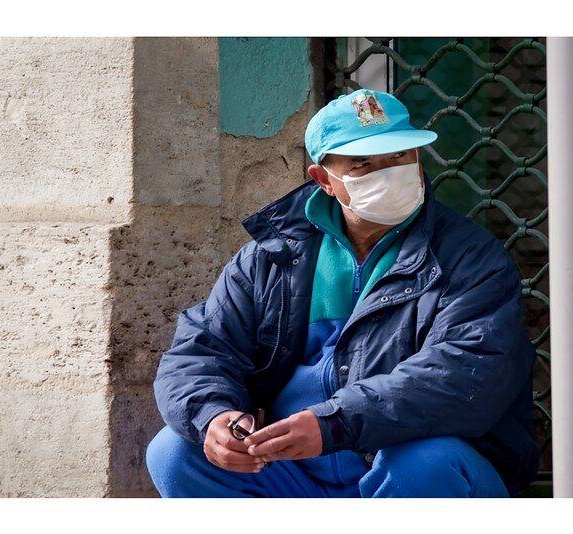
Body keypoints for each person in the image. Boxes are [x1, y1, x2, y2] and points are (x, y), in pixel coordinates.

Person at [146, 89, 540, 498]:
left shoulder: (471, 257)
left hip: (402, 467)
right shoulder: (268, 258)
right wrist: (215, 418)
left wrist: (335, 423)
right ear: (324, 180)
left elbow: (464, 371)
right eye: (363, 164)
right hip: (293, 470)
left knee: (425, 462)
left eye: (400, 156)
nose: (390, 173)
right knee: (175, 453)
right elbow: (201, 349)